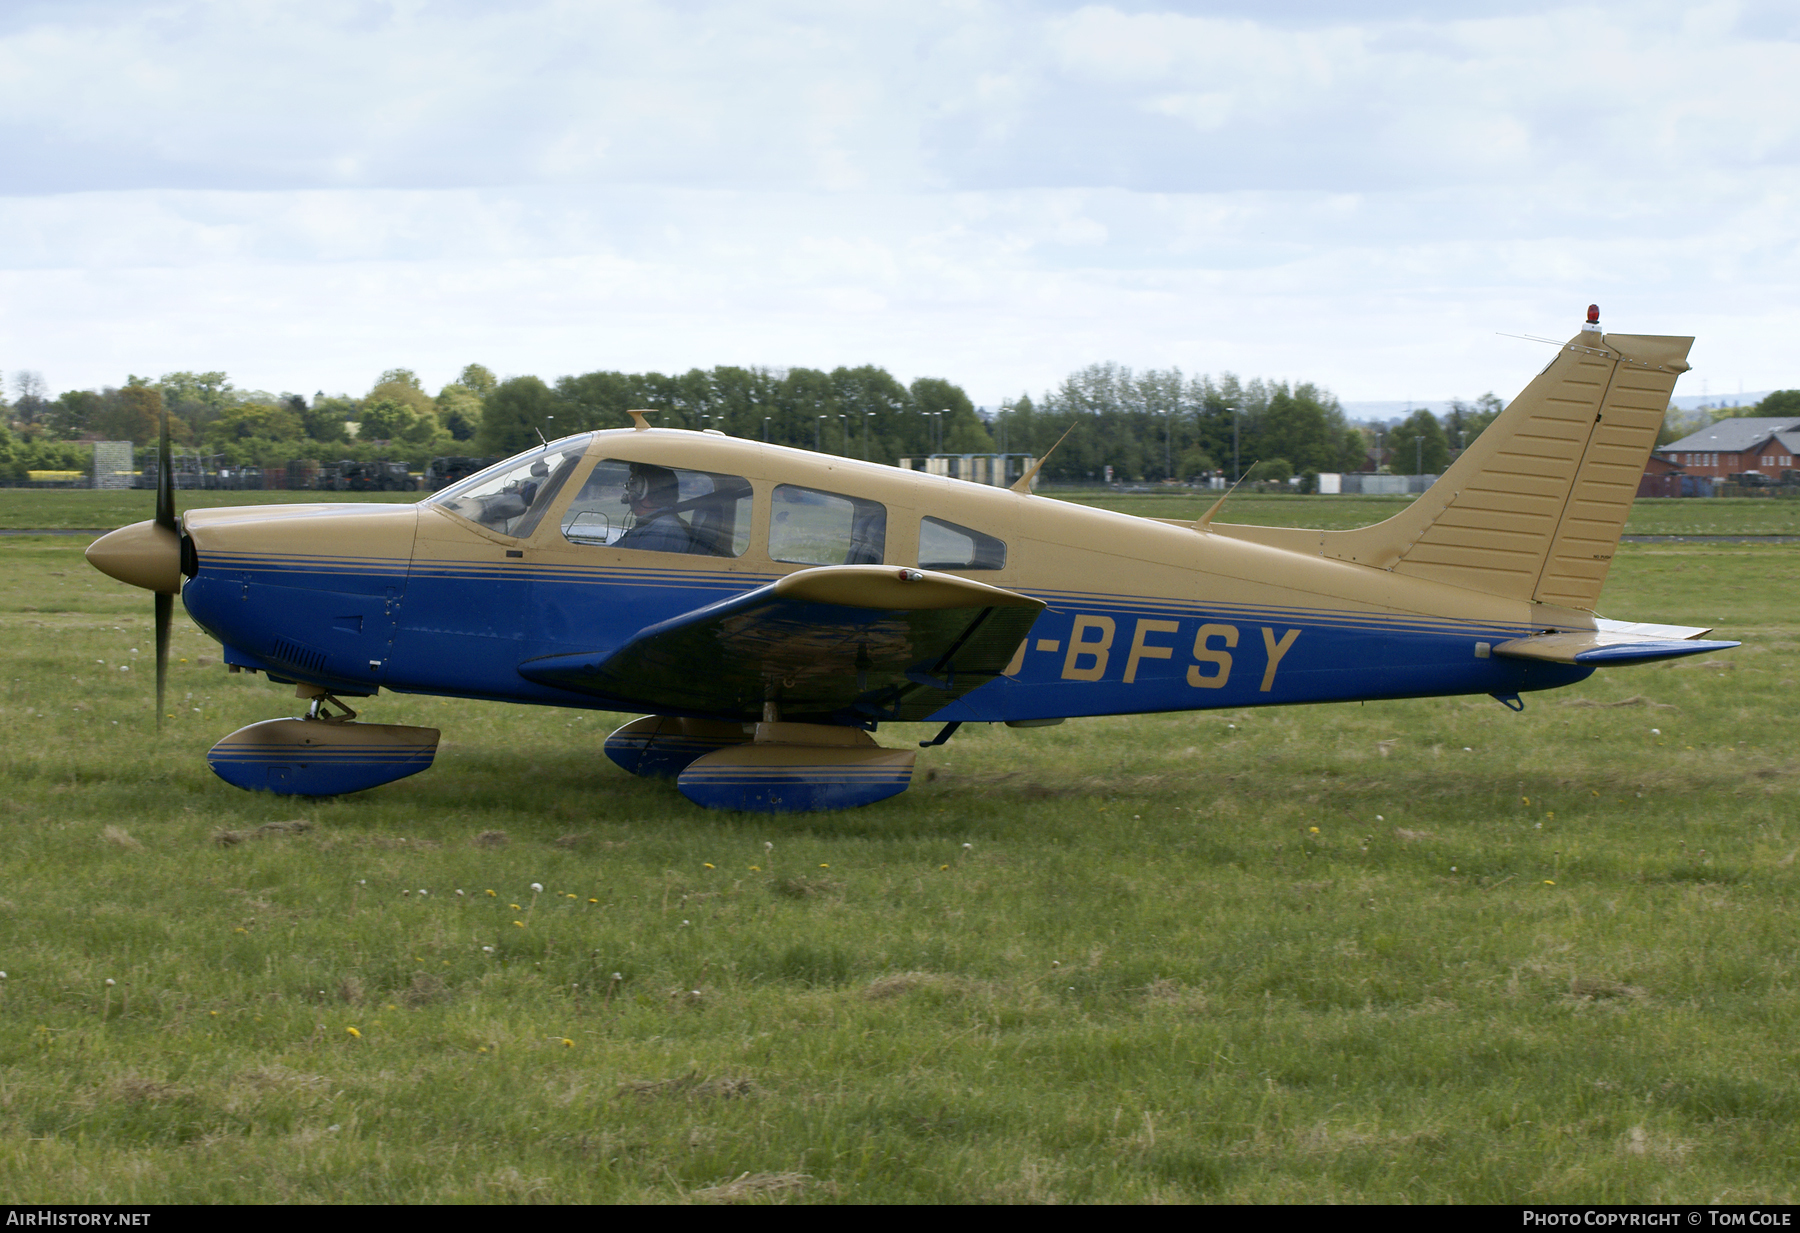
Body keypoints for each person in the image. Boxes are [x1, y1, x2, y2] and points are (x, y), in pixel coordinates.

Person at [615, 463, 697, 553]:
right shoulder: (652, 525)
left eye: (633, 485)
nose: (629, 492)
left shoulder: (662, 532)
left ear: (642, 490)